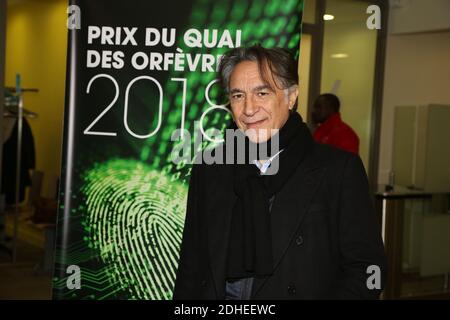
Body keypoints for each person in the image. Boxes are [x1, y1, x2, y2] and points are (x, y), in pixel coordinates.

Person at [173, 45, 387, 300]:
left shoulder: (337, 171)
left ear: (291, 97)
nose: (249, 109)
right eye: (238, 95)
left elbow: (369, 270)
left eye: (262, 93)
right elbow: (191, 266)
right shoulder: (210, 169)